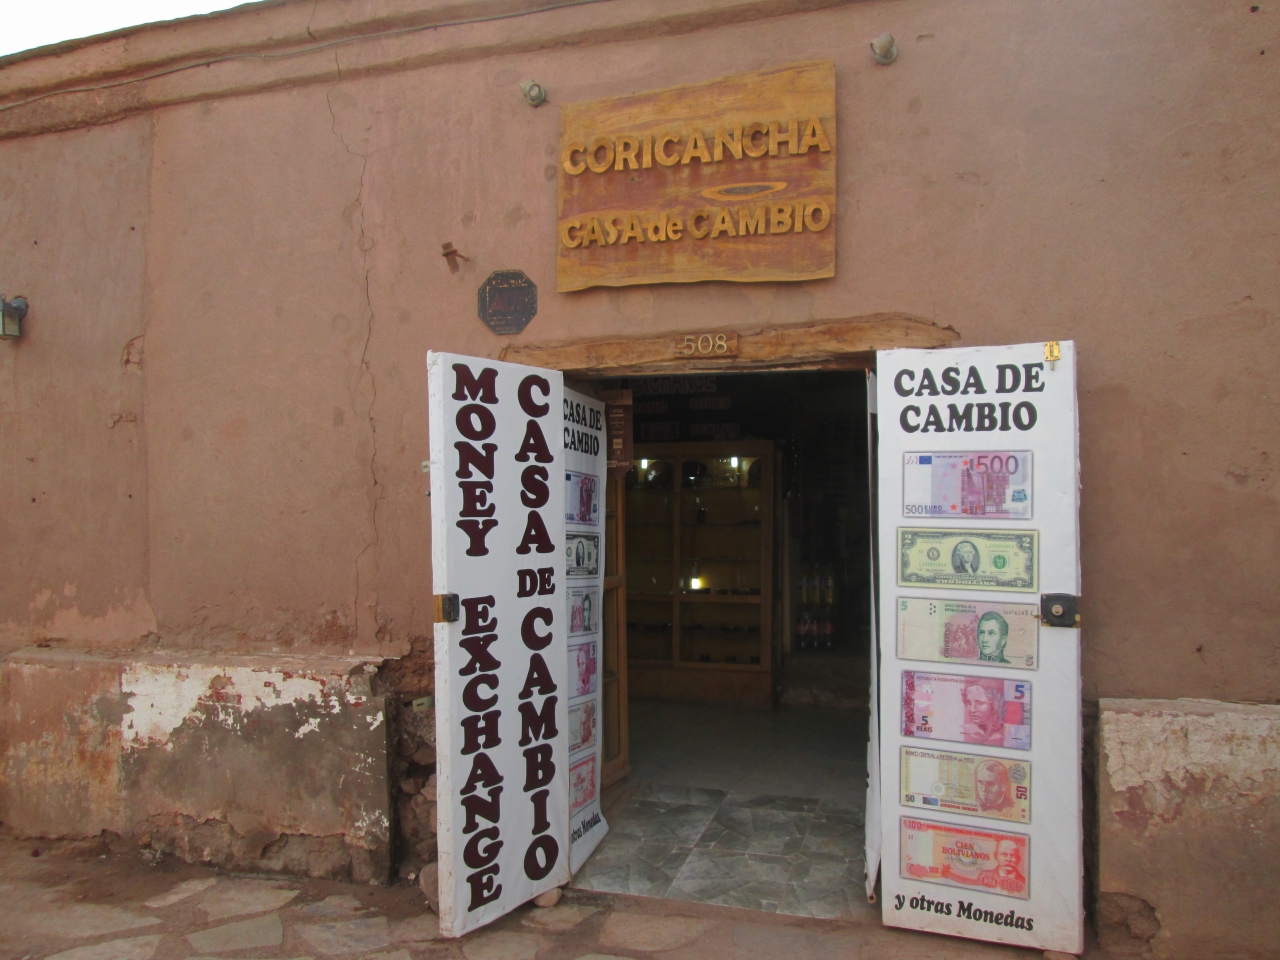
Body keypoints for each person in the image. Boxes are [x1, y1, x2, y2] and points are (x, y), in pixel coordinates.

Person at [962, 678, 1006, 746]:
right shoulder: (962, 732)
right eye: (969, 703)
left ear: (994, 705)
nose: (972, 709)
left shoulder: (1001, 738)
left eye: (980, 703)